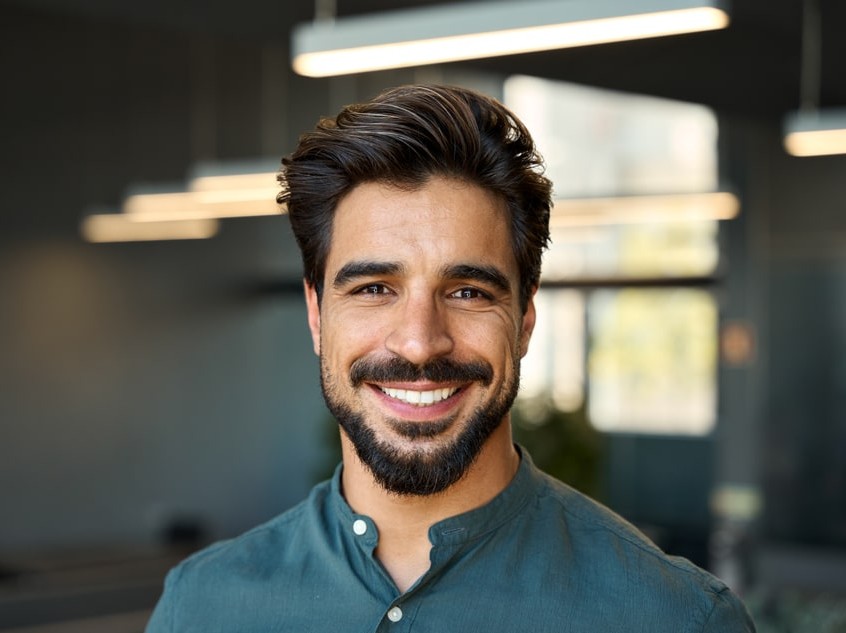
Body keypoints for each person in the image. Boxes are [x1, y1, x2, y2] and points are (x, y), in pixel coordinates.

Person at [145, 84, 755, 632]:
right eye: (373, 289)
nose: (418, 343)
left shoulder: (674, 619)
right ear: (316, 314)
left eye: (467, 292)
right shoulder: (201, 607)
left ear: (523, 321)